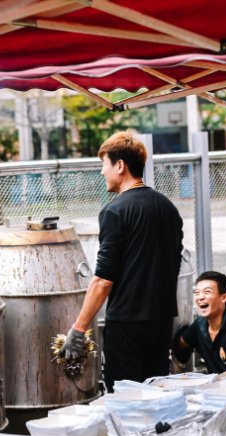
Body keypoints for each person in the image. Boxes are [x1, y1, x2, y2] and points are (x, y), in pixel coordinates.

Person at [58, 130, 183, 392]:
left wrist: (79, 329)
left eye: (104, 164)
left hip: (127, 325)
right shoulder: (168, 208)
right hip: (162, 322)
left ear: (120, 165)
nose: (102, 172)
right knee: (156, 396)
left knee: (125, 401)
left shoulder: (115, 211)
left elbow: (103, 280)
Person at [173, 271, 226, 373]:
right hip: (213, 387)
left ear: (223, 298)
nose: (200, 297)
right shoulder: (199, 326)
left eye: (207, 292)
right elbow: (179, 344)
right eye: (197, 293)